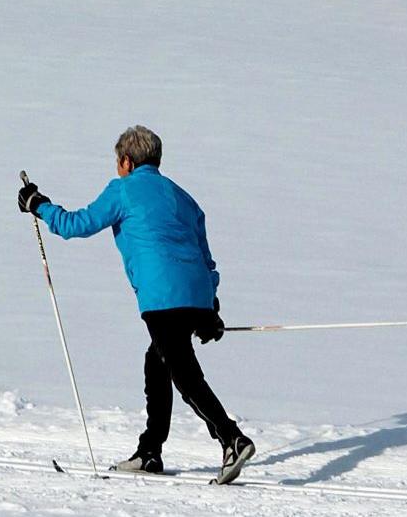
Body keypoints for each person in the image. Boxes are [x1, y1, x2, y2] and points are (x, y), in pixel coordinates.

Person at [17, 126, 254, 485]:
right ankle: (149, 452)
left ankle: (231, 438)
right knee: (157, 361)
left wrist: (38, 206)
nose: (117, 167)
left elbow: (75, 225)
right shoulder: (183, 198)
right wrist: (210, 307)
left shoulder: (123, 191)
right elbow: (206, 257)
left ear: (127, 161)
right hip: (197, 293)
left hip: (161, 297)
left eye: (118, 161)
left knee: (182, 371)